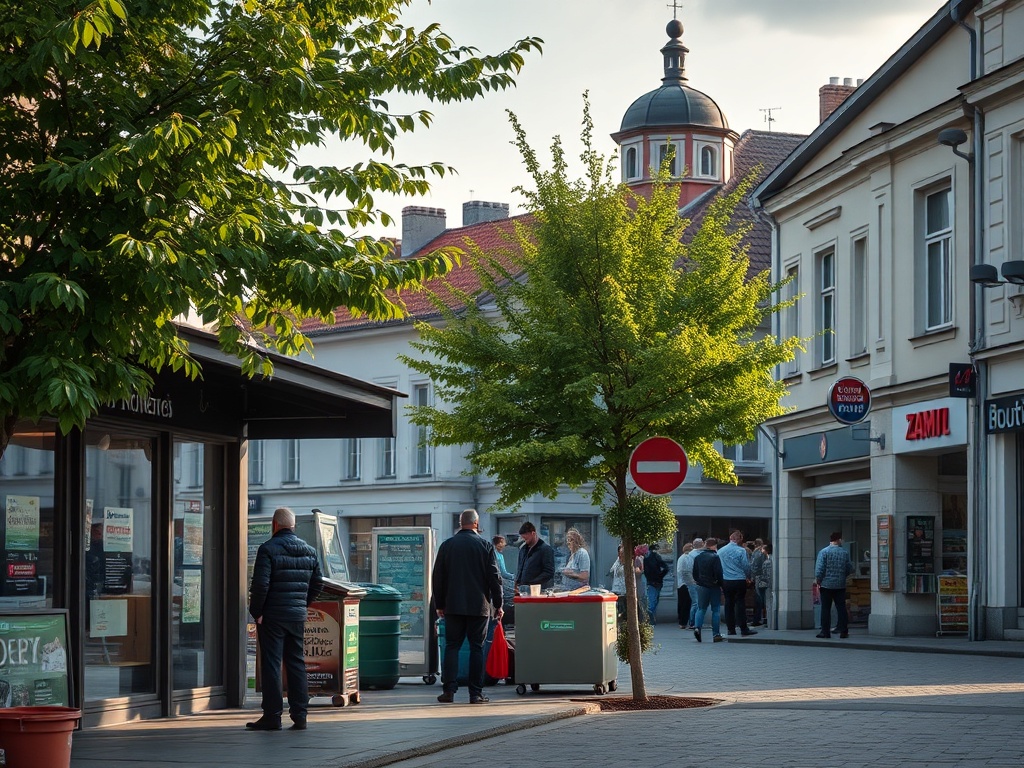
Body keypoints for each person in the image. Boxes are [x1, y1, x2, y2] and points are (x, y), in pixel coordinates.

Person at [247, 507, 324, 731]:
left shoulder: (267, 549)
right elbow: (318, 583)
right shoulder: (309, 551)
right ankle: (300, 715)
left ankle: (272, 716)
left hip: (272, 616)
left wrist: (257, 612)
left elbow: (260, 584)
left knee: (272, 664)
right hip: (296, 616)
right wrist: (303, 604)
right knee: (296, 663)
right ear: (293, 526)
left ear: (274, 525)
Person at [432, 509, 504, 704]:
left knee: (452, 647)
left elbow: (437, 577)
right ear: (476, 523)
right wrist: (498, 604)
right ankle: (475, 693)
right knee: (476, 648)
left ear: (460, 523)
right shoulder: (485, 546)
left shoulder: (447, 546)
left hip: (453, 606)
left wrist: (440, 604)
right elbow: (494, 578)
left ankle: (449, 691)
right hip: (479, 607)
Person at [815, 531, 854, 639]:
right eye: (842, 539)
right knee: (841, 608)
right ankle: (844, 630)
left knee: (825, 609)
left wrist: (818, 579)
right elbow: (849, 568)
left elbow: (820, 569)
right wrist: (842, 576)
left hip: (826, 585)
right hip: (840, 585)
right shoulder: (844, 553)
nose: (843, 541)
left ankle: (825, 632)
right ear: (838, 539)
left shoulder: (824, 552)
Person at [718, 530, 756, 636]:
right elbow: (746, 566)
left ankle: (731, 629)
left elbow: (718, 566)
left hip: (726, 580)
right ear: (738, 539)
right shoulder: (741, 551)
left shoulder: (720, 551)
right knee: (740, 603)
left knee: (728, 604)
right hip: (739, 579)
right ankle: (743, 628)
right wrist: (748, 577)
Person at [691, 537, 724, 642]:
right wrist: (720, 584)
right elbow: (719, 573)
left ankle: (697, 627)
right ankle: (716, 634)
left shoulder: (698, 557)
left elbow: (694, 573)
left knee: (701, 609)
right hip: (714, 586)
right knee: (716, 610)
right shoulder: (715, 557)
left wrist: (699, 581)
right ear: (714, 546)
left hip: (701, 586)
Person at [514, 521, 555, 593]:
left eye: (526, 539)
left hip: (540, 589)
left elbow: (549, 572)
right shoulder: (523, 549)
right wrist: (517, 581)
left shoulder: (545, 549)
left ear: (533, 533)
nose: (525, 541)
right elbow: (520, 568)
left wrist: (532, 583)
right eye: (523, 539)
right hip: (524, 589)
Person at [642, 543, 670, 625]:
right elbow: (666, 568)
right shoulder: (656, 557)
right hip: (658, 581)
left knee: (652, 601)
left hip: (651, 581)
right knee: (654, 600)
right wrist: (660, 576)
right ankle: (651, 619)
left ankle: (651, 619)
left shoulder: (645, 558)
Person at [675, 543, 694, 629]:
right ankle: (684, 622)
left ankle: (681, 621)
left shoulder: (681, 557)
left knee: (682, 603)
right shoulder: (686, 557)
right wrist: (691, 582)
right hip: (685, 583)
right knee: (686, 604)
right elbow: (686, 571)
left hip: (681, 584)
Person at [750, 541, 768, 626]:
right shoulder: (762, 553)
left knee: (759, 600)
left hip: (758, 578)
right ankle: (765, 618)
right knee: (764, 599)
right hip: (764, 578)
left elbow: (753, 566)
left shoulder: (755, 553)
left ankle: (757, 619)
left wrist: (752, 577)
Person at [756, 543, 773, 629]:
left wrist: (760, 579)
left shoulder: (767, 562)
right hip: (772, 584)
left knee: (767, 603)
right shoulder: (773, 559)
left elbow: (766, 575)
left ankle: (769, 621)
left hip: (768, 585)